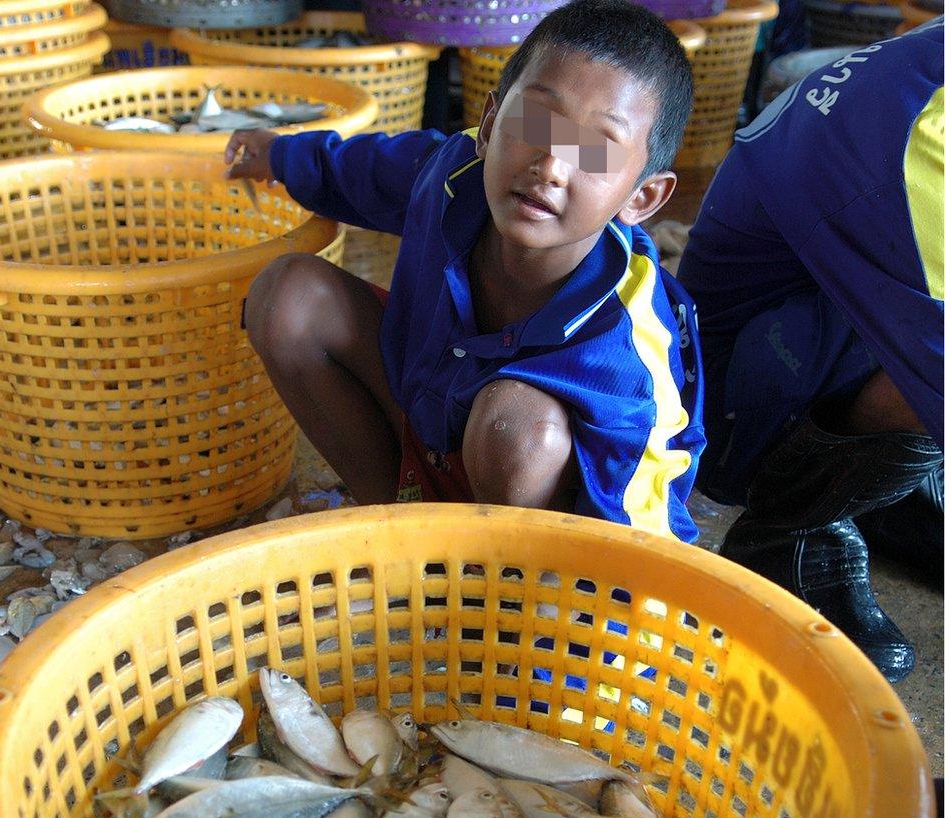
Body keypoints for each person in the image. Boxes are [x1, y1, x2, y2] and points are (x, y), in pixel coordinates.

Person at [224, 0, 705, 542]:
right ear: (491, 123)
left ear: (642, 197)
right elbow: (360, 173)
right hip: (428, 419)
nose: (550, 165)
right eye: (536, 122)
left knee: (517, 430)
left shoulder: (630, 343)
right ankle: (402, 528)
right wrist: (279, 157)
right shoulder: (453, 175)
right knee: (288, 295)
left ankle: (491, 584)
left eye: (594, 151)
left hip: (529, 498)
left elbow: (644, 524)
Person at [677, 19, 944, 681]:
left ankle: (885, 490)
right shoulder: (921, 143)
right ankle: (785, 524)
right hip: (742, 403)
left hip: (839, 325)